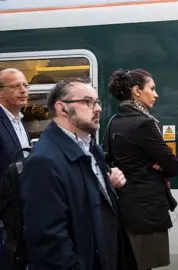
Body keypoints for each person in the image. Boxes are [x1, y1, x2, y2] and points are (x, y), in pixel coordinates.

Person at [19, 77, 137, 270]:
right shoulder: (44, 161)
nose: (97, 108)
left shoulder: (91, 148)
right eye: (87, 102)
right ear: (62, 108)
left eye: (97, 102)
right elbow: (50, 242)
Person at [107, 69, 178, 270]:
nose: (156, 94)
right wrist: (160, 165)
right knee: (144, 264)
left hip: (125, 206)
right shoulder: (145, 123)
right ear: (137, 91)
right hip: (146, 208)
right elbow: (173, 165)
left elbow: (109, 158)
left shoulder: (113, 121)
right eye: (152, 89)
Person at [0, 68, 31, 270]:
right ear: (1, 93)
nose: (23, 90)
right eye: (16, 86)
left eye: (25, 85)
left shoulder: (19, 120)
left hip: (20, 209)